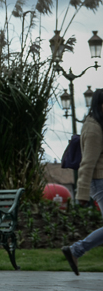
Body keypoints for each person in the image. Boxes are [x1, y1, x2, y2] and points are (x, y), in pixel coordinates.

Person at [64, 88, 103, 275]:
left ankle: (75, 251)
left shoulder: (99, 125)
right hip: (99, 182)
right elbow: (87, 163)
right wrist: (82, 192)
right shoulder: (93, 129)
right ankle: (75, 250)